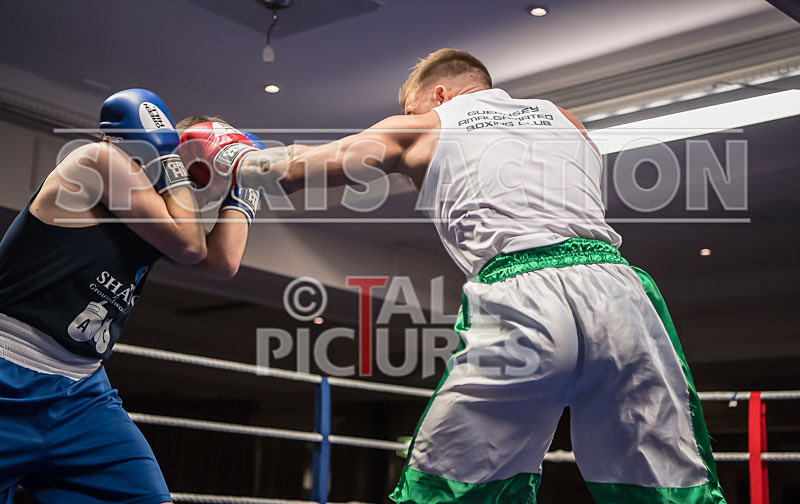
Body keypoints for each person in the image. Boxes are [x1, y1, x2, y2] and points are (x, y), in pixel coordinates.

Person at [187, 48, 726, 504]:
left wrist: (226, 151)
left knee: (453, 481)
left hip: (525, 293)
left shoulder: (424, 124)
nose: (405, 113)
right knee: (664, 479)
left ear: (440, 94)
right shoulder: (567, 119)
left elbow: (297, 172)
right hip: (621, 291)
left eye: (410, 104)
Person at [0, 89, 257, 504]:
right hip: (7, 369)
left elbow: (222, 261)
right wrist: (170, 155)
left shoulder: (160, 217)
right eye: (197, 167)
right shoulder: (96, 160)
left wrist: (246, 184)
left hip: (82, 393)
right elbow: (192, 246)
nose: (197, 187)